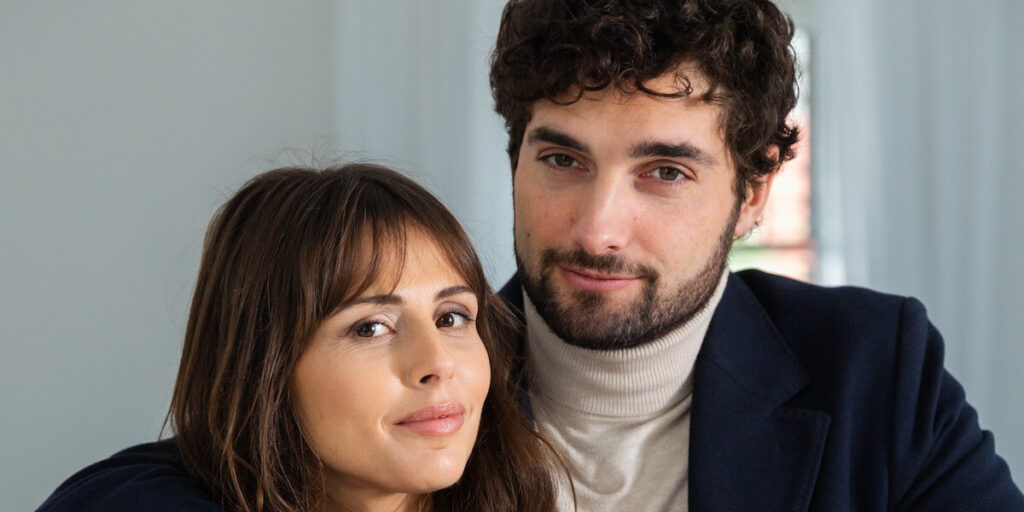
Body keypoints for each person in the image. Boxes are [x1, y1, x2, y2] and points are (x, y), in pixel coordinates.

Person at [488, 0, 1024, 510]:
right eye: (562, 160)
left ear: (752, 195)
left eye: (667, 173)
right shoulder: (439, 376)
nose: (597, 232)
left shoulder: (877, 372)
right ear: (516, 164)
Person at [36, 164, 561, 512]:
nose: (437, 363)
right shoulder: (132, 500)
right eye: (371, 327)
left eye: (451, 318)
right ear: (264, 364)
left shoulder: (519, 484)